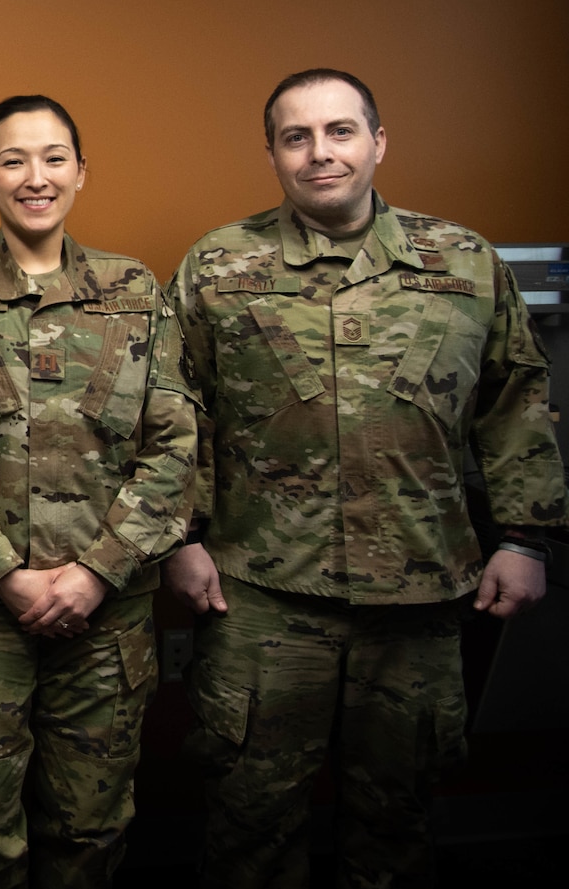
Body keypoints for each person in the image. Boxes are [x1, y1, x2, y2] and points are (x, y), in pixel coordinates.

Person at [165, 68, 568, 888]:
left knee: (397, 822)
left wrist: (526, 538)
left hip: (418, 598)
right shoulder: (217, 266)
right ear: (274, 153)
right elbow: (176, 412)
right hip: (262, 597)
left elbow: (516, 401)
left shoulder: (462, 262)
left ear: (378, 142)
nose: (321, 153)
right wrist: (181, 537)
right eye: (297, 137)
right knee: (250, 822)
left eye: (340, 131)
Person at [0, 95, 199, 887]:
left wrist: (95, 571)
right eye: (12, 160)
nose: (34, 177)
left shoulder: (135, 291)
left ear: (82, 171)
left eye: (53, 158)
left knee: (90, 828)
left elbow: (175, 445)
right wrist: (4, 574)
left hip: (108, 616)